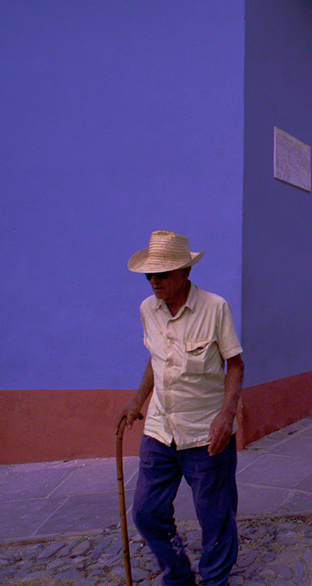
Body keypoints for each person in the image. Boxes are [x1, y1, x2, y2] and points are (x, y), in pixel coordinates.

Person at [119, 230, 245, 586]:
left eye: (163, 274)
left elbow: (235, 364)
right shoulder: (148, 309)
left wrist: (227, 415)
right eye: (150, 276)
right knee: (146, 512)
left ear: (185, 273)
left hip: (207, 433)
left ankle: (215, 580)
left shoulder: (215, 308)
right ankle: (177, 573)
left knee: (215, 518)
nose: (154, 282)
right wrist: (137, 400)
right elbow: (156, 360)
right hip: (160, 429)